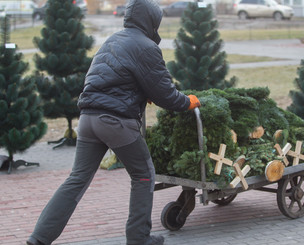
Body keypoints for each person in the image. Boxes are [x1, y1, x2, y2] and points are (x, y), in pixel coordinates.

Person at [26, 0, 201, 244]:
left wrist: (141, 93)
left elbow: (109, 79)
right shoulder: (146, 46)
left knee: (76, 179)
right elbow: (166, 95)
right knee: (143, 174)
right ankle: (138, 238)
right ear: (151, 21)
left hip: (87, 119)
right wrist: (187, 102)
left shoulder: (111, 41)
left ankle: (39, 237)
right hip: (116, 122)